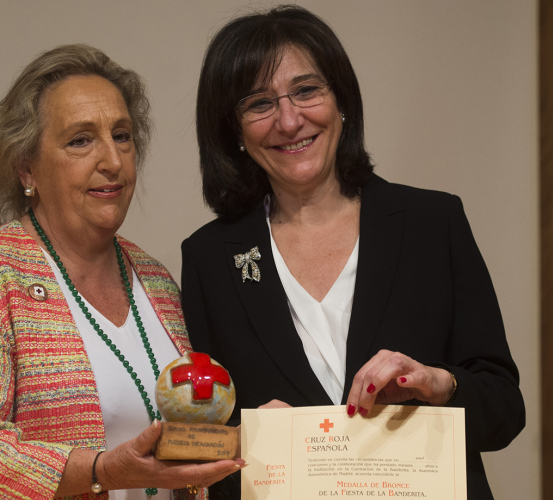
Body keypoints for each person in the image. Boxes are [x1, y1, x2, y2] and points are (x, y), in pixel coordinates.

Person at [182, 6, 525, 499]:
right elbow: (200, 438)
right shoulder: (209, 257)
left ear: (340, 100)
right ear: (234, 131)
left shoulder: (433, 223)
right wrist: (244, 439)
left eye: (307, 90)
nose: (289, 120)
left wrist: (440, 383)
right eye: (259, 104)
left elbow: (505, 411)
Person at [0, 44, 244, 500]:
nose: (112, 161)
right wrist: (103, 471)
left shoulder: (156, 279)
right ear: (26, 168)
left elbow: (188, 428)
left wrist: (249, 439)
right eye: (80, 141)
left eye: (122, 136)